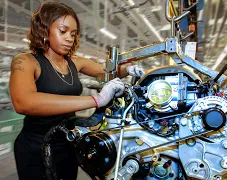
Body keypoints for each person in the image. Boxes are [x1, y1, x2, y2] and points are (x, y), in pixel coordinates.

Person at [9, 2, 144, 180]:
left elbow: (108, 73)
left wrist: (127, 70)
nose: (69, 38)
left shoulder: (75, 62)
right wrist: (97, 100)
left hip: (67, 142)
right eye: (63, 31)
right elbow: (24, 102)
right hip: (35, 146)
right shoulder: (26, 61)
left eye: (73, 34)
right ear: (44, 29)